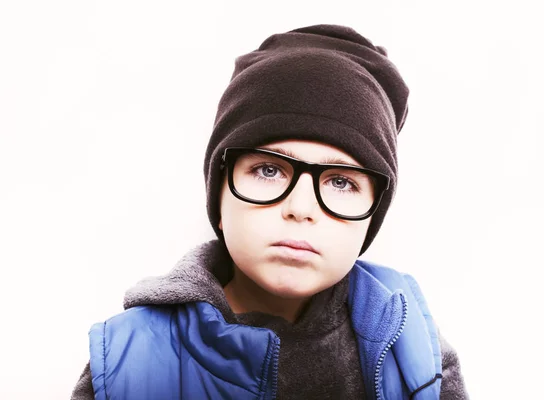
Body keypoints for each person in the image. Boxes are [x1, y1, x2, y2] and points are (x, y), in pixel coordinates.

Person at [71, 23, 468, 400]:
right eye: (269, 170)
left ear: (370, 217)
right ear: (220, 193)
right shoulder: (126, 365)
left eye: (341, 182)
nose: (300, 208)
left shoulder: (415, 350)